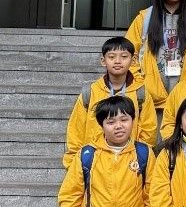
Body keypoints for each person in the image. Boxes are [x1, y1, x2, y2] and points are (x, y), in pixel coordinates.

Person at [65, 37, 157, 168]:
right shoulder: (90, 92)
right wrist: (74, 163)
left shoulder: (140, 94)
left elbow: (149, 131)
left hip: (130, 163)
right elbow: (76, 130)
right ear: (103, 61)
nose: (118, 61)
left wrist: (138, 160)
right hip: (95, 162)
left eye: (124, 56)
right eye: (112, 57)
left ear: (133, 60)